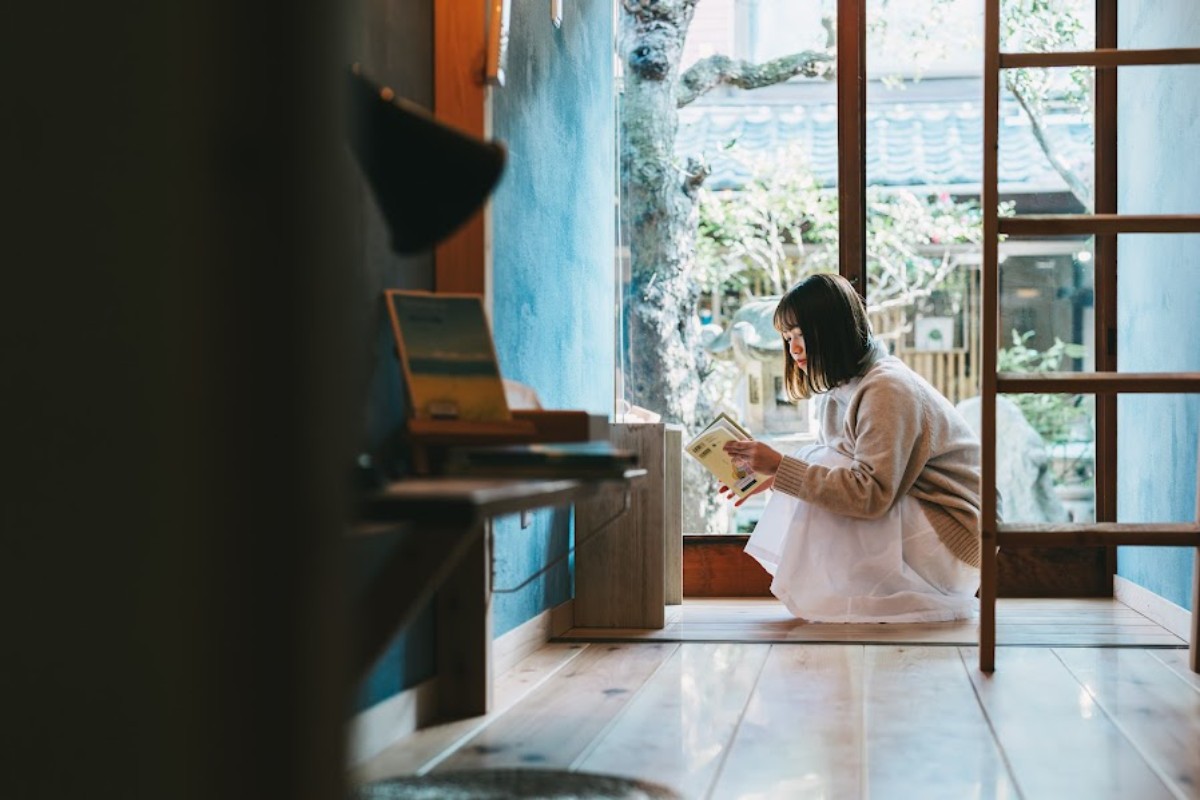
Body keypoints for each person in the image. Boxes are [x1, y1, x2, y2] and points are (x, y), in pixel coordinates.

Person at [720, 273, 984, 622]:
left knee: (822, 461)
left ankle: (852, 593)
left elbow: (870, 494)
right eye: (787, 337)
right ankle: (845, 590)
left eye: (802, 334)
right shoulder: (845, 386)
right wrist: (774, 475)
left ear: (833, 330)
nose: (794, 348)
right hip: (925, 520)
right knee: (815, 459)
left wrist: (784, 467)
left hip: (954, 537)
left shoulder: (887, 389)